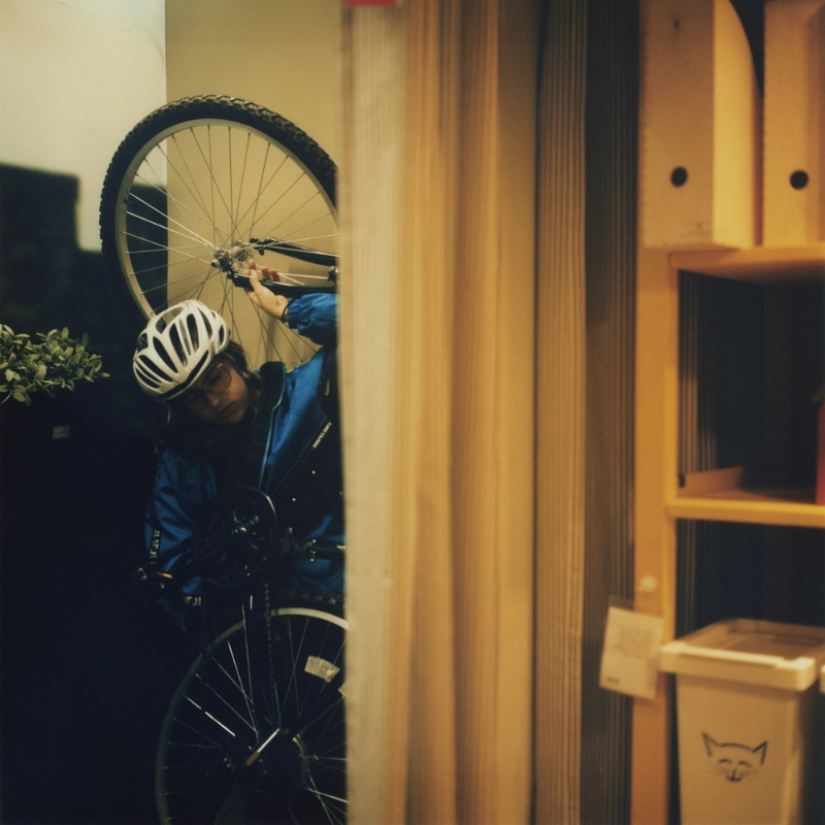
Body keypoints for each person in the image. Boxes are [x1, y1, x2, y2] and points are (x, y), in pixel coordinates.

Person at [132, 262, 343, 625]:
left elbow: (379, 321)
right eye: (194, 399)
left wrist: (288, 309)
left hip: (343, 593)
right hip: (257, 636)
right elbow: (173, 559)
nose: (214, 400)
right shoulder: (181, 464)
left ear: (234, 358)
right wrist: (221, 625)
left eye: (215, 377)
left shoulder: (305, 394)